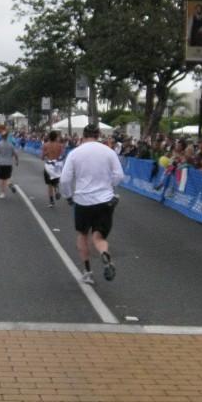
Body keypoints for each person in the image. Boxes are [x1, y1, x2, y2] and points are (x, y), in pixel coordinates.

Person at [60, 122, 125, 285]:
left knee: (83, 235)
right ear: (99, 135)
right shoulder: (109, 152)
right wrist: (109, 187)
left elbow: (65, 179)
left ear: (82, 136)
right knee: (99, 236)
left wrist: (68, 197)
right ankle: (104, 252)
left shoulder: (75, 153)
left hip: (83, 200)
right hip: (104, 199)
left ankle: (88, 272)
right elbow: (119, 175)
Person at [41, 130, 65, 208]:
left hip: (49, 164)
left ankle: (51, 201)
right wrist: (59, 160)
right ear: (55, 137)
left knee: (49, 184)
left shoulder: (45, 145)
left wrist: (45, 154)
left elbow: (42, 158)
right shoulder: (60, 145)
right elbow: (64, 155)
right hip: (57, 164)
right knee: (55, 181)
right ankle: (56, 187)